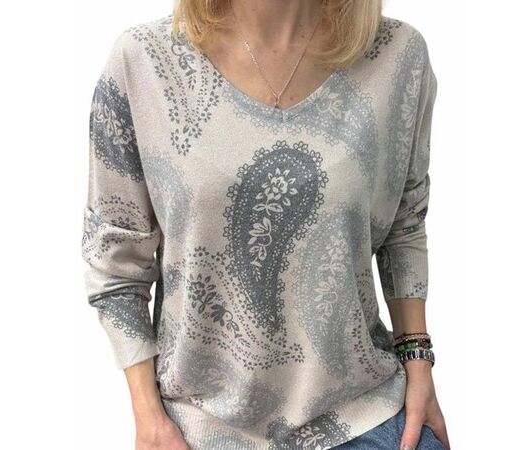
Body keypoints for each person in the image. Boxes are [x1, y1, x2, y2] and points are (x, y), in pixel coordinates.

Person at [81, 1, 450, 449]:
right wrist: (148, 416)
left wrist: (418, 363)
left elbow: (404, 224)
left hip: (366, 417)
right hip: (201, 428)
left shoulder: (397, 55)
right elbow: (115, 258)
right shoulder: (144, 61)